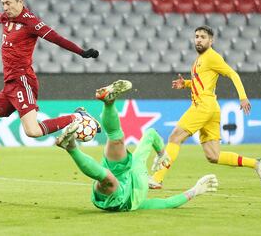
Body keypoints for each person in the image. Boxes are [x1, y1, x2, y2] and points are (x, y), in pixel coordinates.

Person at [0, 0, 100, 176]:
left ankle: (77, 118)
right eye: (2, 3)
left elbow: (56, 38)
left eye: (8, 3)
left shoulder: (31, 23)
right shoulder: (5, 17)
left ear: (20, 2)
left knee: (33, 131)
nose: (5, 7)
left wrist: (82, 52)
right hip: (9, 86)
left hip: (23, 81)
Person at [55, 80, 218, 211]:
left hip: (117, 200)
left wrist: (195, 191)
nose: (153, 183)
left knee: (107, 178)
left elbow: (168, 203)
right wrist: (162, 153)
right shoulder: (138, 163)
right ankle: (108, 101)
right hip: (121, 170)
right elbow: (151, 134)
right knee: (116, 139)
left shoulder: (139, 201)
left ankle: (72, 148)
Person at [149, 25, 261, 189]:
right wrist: (186, 84)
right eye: (196, 36)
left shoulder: (212, 57)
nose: (198, 39)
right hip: (211, 107)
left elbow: (233, 73)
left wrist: (243, 97)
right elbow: (203, 84)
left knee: (174, 138)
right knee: (213, 156)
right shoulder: (199, 59)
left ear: (211, 41)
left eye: (203, 37)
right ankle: (256, 163)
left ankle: (157, 178)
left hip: (203, 106)